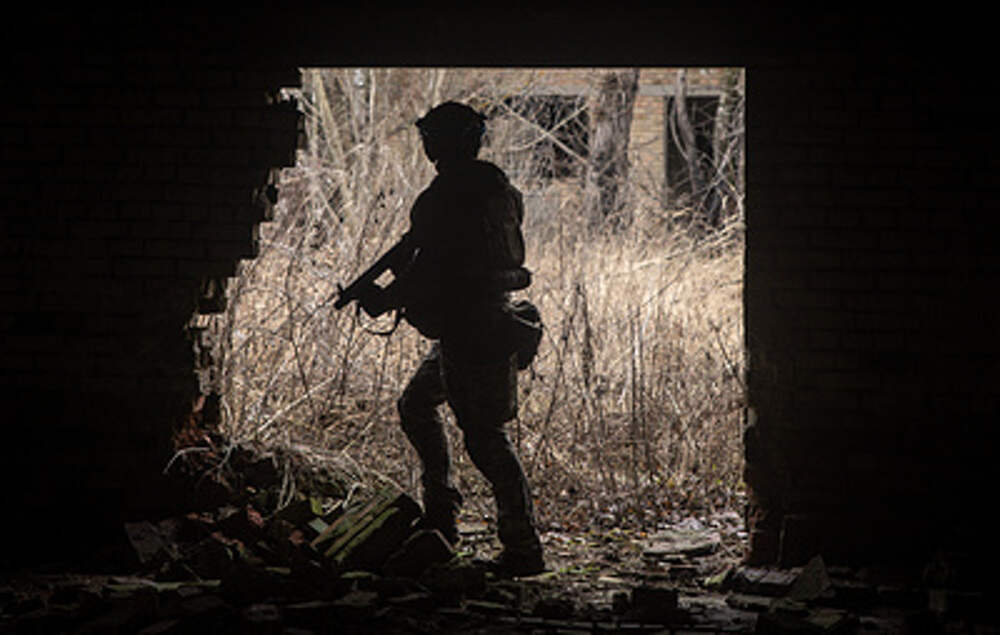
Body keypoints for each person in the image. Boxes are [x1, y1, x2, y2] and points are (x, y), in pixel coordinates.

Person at [357, 101, 545, 577]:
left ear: (444, 142)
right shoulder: (500, 190)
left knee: (485, 439)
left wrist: (384, 298)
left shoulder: (445, 197)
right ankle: (441, 517)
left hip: (470, 330)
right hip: (484, 322)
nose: (426, 144)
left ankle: (523, 548)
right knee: (417, 404)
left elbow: (432, 270)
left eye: (431, 136)